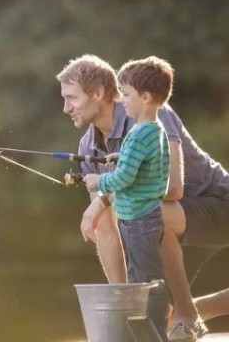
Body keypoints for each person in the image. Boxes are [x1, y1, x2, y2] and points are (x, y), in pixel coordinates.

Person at [56, 54, 229, 341]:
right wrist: (125, 307)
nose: (66, 107)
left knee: (148, 212)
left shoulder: (151, 112)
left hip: (219, 205)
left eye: (71, 98)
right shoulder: (89, 145)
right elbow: (107, 230)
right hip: (169, 227)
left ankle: (185, 314)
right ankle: (182, 314)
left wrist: (104, 197)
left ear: (98, 93)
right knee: (132, 221)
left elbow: (173, 189)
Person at [80, 56, 172, 339]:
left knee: (145, 283)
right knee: (145, 278)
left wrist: (98, 180)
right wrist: (123, 157)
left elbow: (122, 179)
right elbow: (152, 167)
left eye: (127, 95)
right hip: (148, 217)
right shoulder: (154, 131)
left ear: (145, 97)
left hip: (138, 221)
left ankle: (154, 333)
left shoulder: (137, 134)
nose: (123, 100)